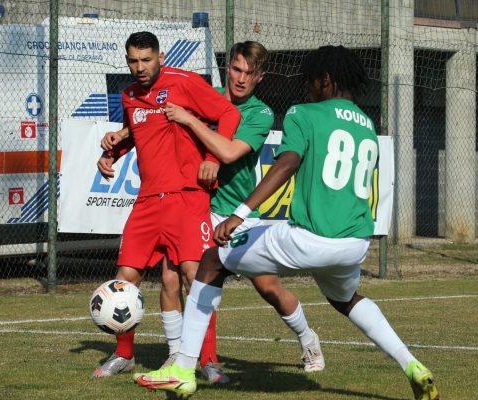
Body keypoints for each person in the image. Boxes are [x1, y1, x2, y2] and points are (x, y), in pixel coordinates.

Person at [133, 45, 439, 400]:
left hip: (309, 236)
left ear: (325, 80)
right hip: (354, 243)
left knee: (212, 261)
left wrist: (240, 214)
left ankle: (183, 369)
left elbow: (287, 163)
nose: (307, 89)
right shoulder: (366, 123)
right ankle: (412, 364)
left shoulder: (302, 113)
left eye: (311, 81)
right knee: (346, 300)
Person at [165, 40, 324, 374]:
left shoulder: (260, 113)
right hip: (197, 206)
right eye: (236, 69)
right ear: (228, 68)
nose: (240, 79)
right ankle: (189, 358)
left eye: (249, 74)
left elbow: (228, 153)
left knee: (269, 288)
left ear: (260, 77)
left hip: (238, 214)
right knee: (184, 277)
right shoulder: (204, 98)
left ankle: (308, 337)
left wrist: (193, 124)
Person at [92, 31, 241, 379]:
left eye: (146, 59)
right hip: (147, 201)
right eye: (133, 61)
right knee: (124, 281)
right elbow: (137, 131)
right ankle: (125, 354)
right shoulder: (130, 95)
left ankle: (208, 362)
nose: (140, 67)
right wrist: (111, 151)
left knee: (195, 277)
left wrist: (213, 158)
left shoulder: (184, 82)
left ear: (160, 56)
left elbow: (228, 114)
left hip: (187, 197)